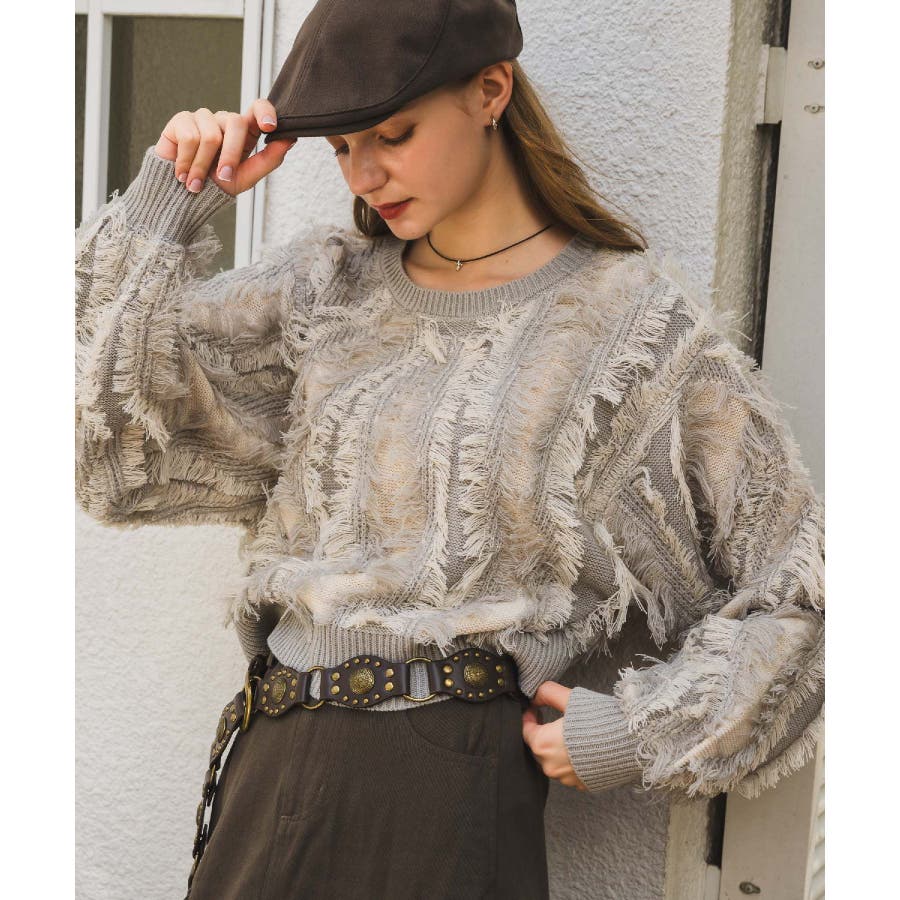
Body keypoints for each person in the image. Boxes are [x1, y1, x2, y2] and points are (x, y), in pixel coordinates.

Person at [74, 2, 825, 898]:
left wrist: (634, 733)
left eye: (393, 134)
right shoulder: (323, 289)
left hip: (452, 785)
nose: (366, 173)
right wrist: (167, 204)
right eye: (342, 147)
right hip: (271, 756)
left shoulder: (628, 331)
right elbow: (118, 461)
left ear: (490, 90)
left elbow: (802, 589)